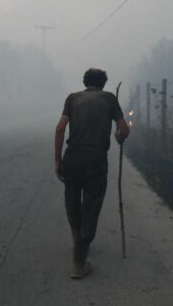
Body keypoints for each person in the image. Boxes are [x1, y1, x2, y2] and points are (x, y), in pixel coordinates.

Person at [54, 68, 130, 279]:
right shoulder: (109, 99)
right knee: (92, 205)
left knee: (72, 201)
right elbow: (124, 130)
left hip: (72, 159)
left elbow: (60, 129)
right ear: (103, 84)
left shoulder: (73, 98)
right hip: (96, 161)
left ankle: (78, 241)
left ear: (85, 82)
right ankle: (79, 263)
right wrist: (118, 136)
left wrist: (57, 160)